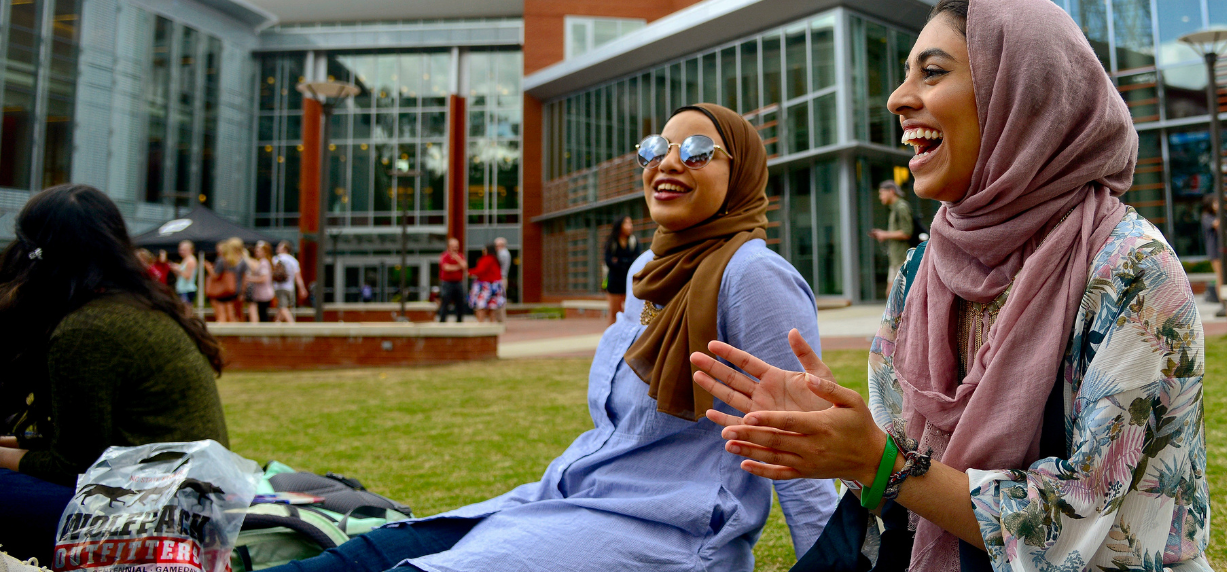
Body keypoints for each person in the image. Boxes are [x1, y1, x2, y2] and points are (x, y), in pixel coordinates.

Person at [693, 0, 1210, 570]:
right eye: (904, 75)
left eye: (931, 73)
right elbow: (894, 473)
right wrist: (838, 443)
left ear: (1022, 96)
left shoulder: (1132, 271)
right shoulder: (922, 269)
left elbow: (1077, 520)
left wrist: (879, 463)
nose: (896, 98)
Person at [270, 103, 836, 572]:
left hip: (663, 534)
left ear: (739, 174)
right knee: (369, 554)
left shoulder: (752, 275)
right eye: (655, 148)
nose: (668, 162)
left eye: (695, 151)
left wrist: (830, 565)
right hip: (568, 496)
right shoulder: (649, 270)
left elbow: (803, 448)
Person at [0, 184, 229, 562]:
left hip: (160, 520)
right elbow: (81, 446)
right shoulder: (133, 306)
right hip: (192, 507)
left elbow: (73, 464)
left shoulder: (88, 330)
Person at [868, 180, 913, 294]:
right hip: (895, 258)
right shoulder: (894, 209)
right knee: (891, 294)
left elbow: (907, 232)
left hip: (901, 258)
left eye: (882, 193)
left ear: (891, 191)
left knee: (895, 295)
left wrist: (885, 234)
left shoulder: (901, 207)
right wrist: (884, 235)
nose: (880, 196)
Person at [602, 217, 641, 321]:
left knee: (630, 313)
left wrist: (619, 261)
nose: (630, 226)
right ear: (619, 226)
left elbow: (637, 260)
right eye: (626, 223)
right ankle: (612, 337)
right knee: (614, 313)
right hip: (614, 281)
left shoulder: (633, 241)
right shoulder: (611, 242)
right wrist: (627, 261)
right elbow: (608, 261)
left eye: (631, 223)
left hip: (629, 281)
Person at [467, 244, 504, 324]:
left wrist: (469, 272)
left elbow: (480, 270)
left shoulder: (486, 259)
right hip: (496, 286)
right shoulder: (495, 259)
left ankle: (481, 324)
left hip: (485, 286)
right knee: (492, 306)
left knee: (480, 306)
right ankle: (492, 324)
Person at [271, 241, 305, 323]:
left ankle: (292, 325)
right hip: (290, 288)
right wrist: (302, 289)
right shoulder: (294, 261)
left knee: (282, 307)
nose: (277, 248)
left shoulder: (275, 259)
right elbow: (298, 277)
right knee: (283, 307)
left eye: (280, 247)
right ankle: (276, 324)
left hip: (279, 287)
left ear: (285, 249)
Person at [244, 241, 275, 324]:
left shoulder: (264, 263)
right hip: (261, 293)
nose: (256, 252)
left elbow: (264, 278)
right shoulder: (263, 262)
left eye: (259, 251)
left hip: (263, 294)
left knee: (262, 313)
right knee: (262, 313)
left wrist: (249, 279)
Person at [437, 238, 467, 323]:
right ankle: (442, 321)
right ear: (449, 247)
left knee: (460, 303)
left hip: (458, 283)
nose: (455, 248)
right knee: (445, 302)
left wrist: (457, 259)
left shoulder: (460, 256)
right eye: (453, 246)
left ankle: (459, 321)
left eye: (457, 247)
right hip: (447, 283)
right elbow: (446, 267)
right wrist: (458, 267)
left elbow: (464, 266)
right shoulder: (444, 256)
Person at [173, 240, 198, 309]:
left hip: (187, 289)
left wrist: (179, 269)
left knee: (186, 309)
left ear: (190, 250)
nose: (181, 252)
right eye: (180, 250)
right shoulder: (185, 260)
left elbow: (188, 276)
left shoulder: (191, 261)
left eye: (183, 250)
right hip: (182, 288)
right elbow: (182, 276)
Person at [493, 237, 512, 322]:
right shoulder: (504, 253)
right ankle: (500, 321)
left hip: (500, 279)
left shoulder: (502, 253)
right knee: (499, 301)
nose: (496, 247)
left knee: (499, 302)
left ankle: (501, 322)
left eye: (497, 245)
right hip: (501, 279)